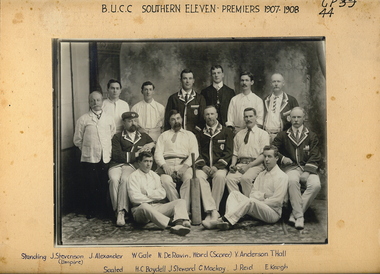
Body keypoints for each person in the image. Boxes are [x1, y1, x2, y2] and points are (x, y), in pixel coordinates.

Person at [202, 146, 288, 230]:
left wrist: (259, 201)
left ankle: (221, 220)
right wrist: (263, 196)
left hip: (273, 213)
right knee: (234, 194)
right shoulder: (261, 174)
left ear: (276, 158)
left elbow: (277, 201)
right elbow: (252, 194)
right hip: (259, 207)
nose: (266, 159)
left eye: (269, 156)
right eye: (265, 156)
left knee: (250, 201)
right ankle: (228, 222)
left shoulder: (282, 176)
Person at [272, 107, 321, 230]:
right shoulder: (283, 135)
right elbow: (272, 149)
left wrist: (307, 172)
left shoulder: (311, 136)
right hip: (292, 168)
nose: (296, 120)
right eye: (293, 117)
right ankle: (299, 217)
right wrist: (282, 158)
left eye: (299, 117)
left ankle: (294, 213)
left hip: (307, 168)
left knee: (316, 185)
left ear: (304, 118)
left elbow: (315, 155)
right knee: (292, 181)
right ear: (289, 118)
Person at [73, 91, 116, 219]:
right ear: (89, 102)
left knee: (103, 184)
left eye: (98, 100)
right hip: (89, 157)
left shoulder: (108, 118)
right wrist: (88, 149)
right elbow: (77, 140)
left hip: (104, 157)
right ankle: (91, 209)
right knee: (90, 184)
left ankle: (103, 210)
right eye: (92, 100)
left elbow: (112, 133)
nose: (95, 103)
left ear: (102, 101)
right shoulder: (83, 119)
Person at [127, 152, 191, 236]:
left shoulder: (155, 175)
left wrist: (147, 193)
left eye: (150, 161)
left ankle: (178, 224)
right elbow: (135, 198)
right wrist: (154, 196)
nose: (148, 164)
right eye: (146, 161)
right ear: (139, 162)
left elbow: (162, 194)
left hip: (156, 207)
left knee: (180, 201)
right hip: (140, 210)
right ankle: (170, 223)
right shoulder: (133, 177)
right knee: (144, 206)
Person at [108, 112, 155, 226]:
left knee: (125, 180)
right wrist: (136, 154)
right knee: (114, 180)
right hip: (117, 164)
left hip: (131, 166)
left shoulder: (143, 136)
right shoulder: (117, 136)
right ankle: (116, 210)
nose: (133, 123)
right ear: (124, 123)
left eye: (134, 121)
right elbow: (117, 154)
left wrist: (151, 145)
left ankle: (122, 212)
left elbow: (153, 142)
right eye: (129, 121)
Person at [154, 110, 198, 207]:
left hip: (184, 165)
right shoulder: (163, 135)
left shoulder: (189, 135)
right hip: (167, 165)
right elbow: (158, 153)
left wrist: (184, 167)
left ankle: (184, 210)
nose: (176, 121)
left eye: (178, 118)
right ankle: (179, 208)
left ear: (182, 119)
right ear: (169, 122)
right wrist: (164, 165)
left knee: (188, 179)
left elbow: (194, 153)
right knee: (165, 181)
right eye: (173, 119)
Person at [193, 105, 233, 212]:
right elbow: (197, 152)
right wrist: (203, 166)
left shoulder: (226, 132)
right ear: (204, 117)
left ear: (217, 115)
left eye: (212, 114)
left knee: (220, 177)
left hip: (219, 167)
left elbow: (228, 152)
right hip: (204, 167)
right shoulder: (200, 134)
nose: (210, 117)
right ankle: (209, 208)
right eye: (207, 114)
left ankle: (214, 210)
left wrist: (216, 167)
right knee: (198, 177)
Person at [225, 107, 270, 196]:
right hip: (240, 164)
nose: (248, 119)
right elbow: (235, 153)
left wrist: (248, 166)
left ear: (255, 117)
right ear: (243, 118)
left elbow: (263, 155)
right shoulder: (239, 134)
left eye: (250, 116)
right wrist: (233, 164)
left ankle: (251, 205)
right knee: (229, 179)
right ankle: (239, 204)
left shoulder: (263, 134)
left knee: (245, 179)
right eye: (246, 117)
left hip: (256, 165)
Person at [164, 69, 206, 135]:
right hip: (176, 135)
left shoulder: (200, 98)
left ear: (193, 81)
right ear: (181, 80)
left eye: (190, 78)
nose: (187, 81)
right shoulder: (173, 98)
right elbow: (167, 119)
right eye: (185, 78)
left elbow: (203, 119)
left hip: (194, 135)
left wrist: (195, 132)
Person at [263, 73, 299, 142]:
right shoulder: (265, 100)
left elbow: (298, 120)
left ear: (283, 83)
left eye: (278, 81)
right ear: (271, 84)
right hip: (265, 136)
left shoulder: (291, 100)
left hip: (283, 137)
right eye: (274, 81)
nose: (276, 84)